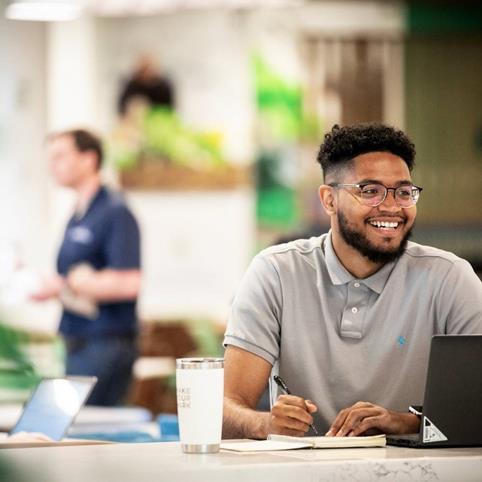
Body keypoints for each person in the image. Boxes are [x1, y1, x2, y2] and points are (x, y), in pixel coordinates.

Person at [222, 123, 482, 439]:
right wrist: (266, 424)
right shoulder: (276, 272)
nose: (391, 206)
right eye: (370, 191)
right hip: (303, 471)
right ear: (329, 200)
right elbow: (226, 408)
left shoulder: (450, 278)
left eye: (403, 192)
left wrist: (404, 423)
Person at [32, 129, 141, 406]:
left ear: (88, 159)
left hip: (104, 343)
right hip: (77, 339)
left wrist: (72, 284)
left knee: (91, 433)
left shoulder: (115, 212)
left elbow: (129, 283)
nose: (52, 165)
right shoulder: (78, 214)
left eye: (60, 156)